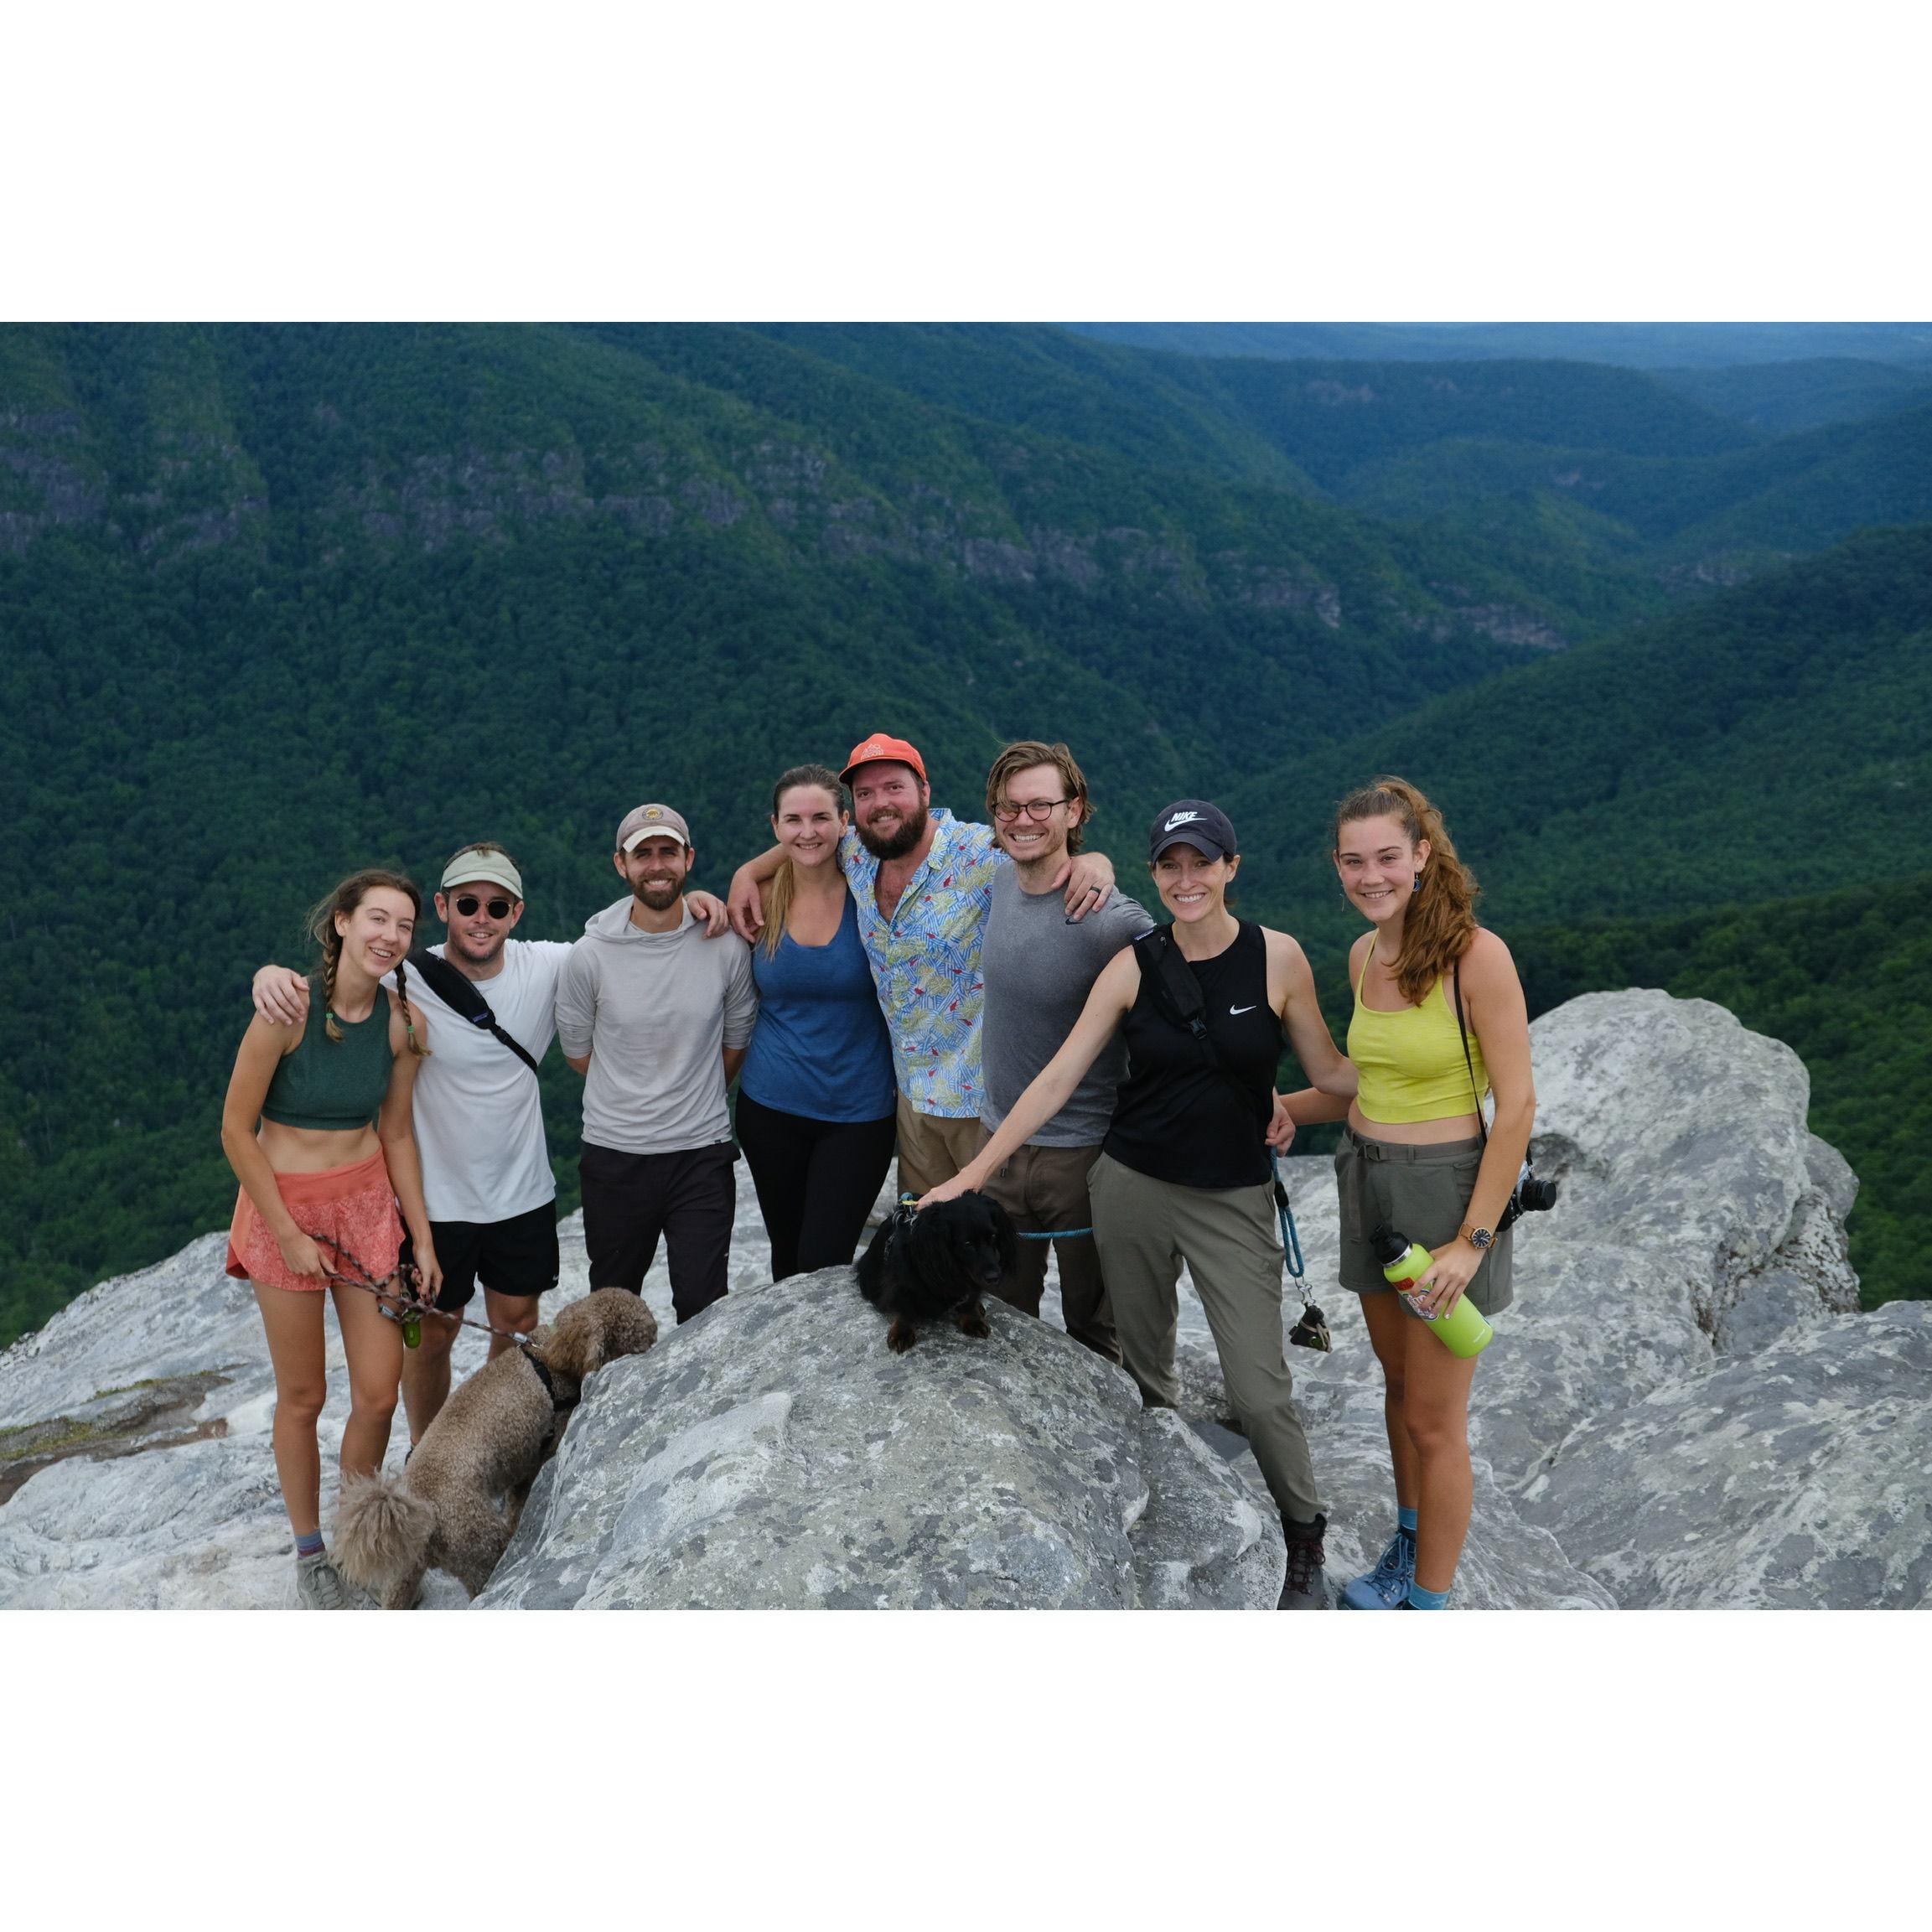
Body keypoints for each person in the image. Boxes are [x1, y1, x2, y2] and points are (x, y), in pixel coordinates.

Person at [925, 800, 1358, 1609]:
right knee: (1145, 1372)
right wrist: (974, 1171)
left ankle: (1303, 1532)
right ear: (1153, 871)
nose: (1186, 879)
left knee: (1259, 1391)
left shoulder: (1279, 958)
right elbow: (1054, 1077)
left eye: (1202, 861)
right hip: (1129, 1187)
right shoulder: (1132, 962)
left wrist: (1329, 1101)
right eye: (1170, 864)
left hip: (1230, 1197)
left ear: (1232, 867)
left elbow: (1335, 1077)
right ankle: (1175, 1501)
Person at [251, 848, 735, 1441]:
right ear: (443, 907)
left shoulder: (553, 964)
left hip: (519, 1191)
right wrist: (271, 974)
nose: (482, 917)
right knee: (433, 1333)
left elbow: (629, 933)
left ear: (516, 913)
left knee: (517, 1325)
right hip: (434, 1197)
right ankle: (430, 1451)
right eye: (468, 904)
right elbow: (340, 970)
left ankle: (485, 1442)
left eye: (497, 905)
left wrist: (697, 905)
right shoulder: (405, 974)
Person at [1282, 778, 1535, 1612]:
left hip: (1445, 1195)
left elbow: (1517, 1103)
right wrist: (1280, 1110)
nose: (1370, 875)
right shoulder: (1364, 956)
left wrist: (1473, 1239)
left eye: (1387, 856)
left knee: (1436, 1422)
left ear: (1422, 855)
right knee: (1396, 1387)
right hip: (1370, 1182)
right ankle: (1405, 1545)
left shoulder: (1475, 957)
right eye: (1353, 861)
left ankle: (1427, 1604)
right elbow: (1366, 1080)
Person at [726, 732, 1115, 1199]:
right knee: (927, 1249)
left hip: (983, 1104)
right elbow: (807, 837)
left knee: (993, 1250)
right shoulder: (859, 853)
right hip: (911, 1101)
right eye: (865, 793)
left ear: (925, 793)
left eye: (894, 787)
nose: (880, 803)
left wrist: (1095, 860)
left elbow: (1040, 850)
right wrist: (746, 872)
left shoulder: (977, 853)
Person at [220, 870, 440, 1610]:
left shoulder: (403, 1026)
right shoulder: (286, 1012)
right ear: (341, 923)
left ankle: (355, 1537)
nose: (390, 936)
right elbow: (235, 1131)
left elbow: (398, 1132)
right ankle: (310, 1550)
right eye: (376, 918)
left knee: (379, 1393)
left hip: (366, 1208)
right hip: (284, 1209)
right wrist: (286, 1231)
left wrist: (423, 1240)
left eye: (404, 926)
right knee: (304, 1395)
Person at [975, 741, 1153, 1362]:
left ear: (1074, 811)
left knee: (1098, 1329)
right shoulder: (997, 879)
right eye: (1008, 807)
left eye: (1040, 806)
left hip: (1080, 1157)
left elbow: (1191, 984)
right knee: (1000, 1318)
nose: (1022, 819)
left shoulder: (1109, 919)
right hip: (997, 1142)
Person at [558, 802, 758, 1324]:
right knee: (613, 1308)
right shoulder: (590, 956)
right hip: (615, 1155)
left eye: (667, 851)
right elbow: (579, 1053)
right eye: (641, 854)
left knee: (702, 1304)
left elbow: (735, 1041)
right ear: (620, 865)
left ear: (688, 859)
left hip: (701, 1154)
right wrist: (636, 1092)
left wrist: (692, 1093)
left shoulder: (725, 947)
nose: (656, 864)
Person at [734, 766, 899, 1279]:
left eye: (821, 818)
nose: (807, 832)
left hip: (859, 1113)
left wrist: (1091, 861)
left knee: (824, 1263)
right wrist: (742, 875)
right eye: (794, 820)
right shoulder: (759, 900)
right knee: (786, 1260)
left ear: (845, 822)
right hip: (770, 1108)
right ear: (775, 826)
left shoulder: (876, 889)